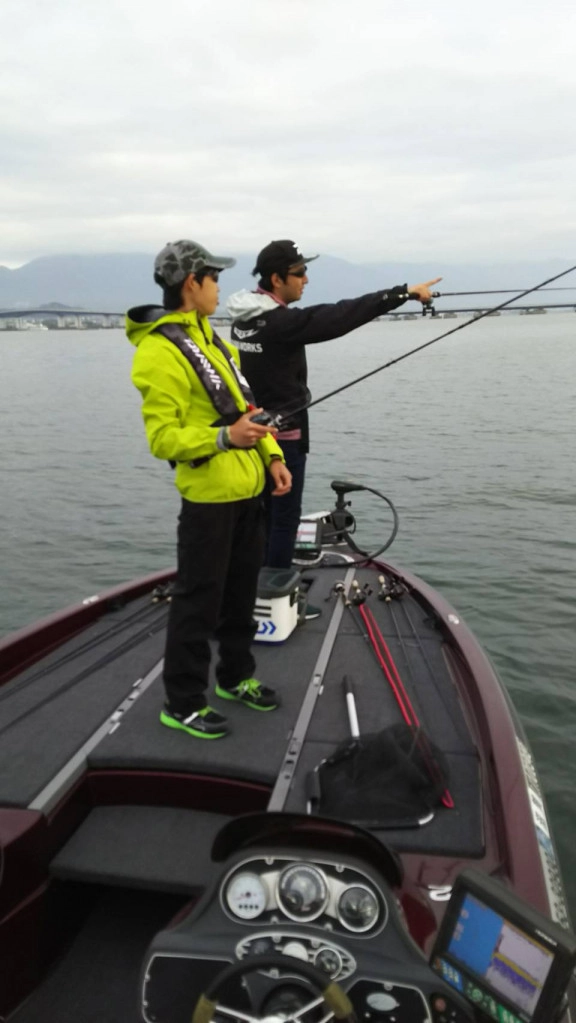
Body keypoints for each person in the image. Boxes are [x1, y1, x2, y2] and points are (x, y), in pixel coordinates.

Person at [127, 239, 292, 740]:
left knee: (241, 595)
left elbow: (246, 411)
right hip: (208, 502)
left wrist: (273, 457)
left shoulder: (211, 340)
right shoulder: (159, 351)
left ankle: (235, 677)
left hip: (247, 490)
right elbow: (163, 438)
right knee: (197, 602)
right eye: (213, 278)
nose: (220, 287)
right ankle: (182, 702)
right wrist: (223, 439)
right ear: (191, 283)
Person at [226, 240, 441, 602]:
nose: (306, 279)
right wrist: (401, 293)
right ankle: (275, 598)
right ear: (277, 279)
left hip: (251, 438)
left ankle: (249, 592)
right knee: (283, 519)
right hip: (284, 439)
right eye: (300, 273)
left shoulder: (244, 318)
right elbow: (339, 316)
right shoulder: (280, 323)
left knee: (258, 517)